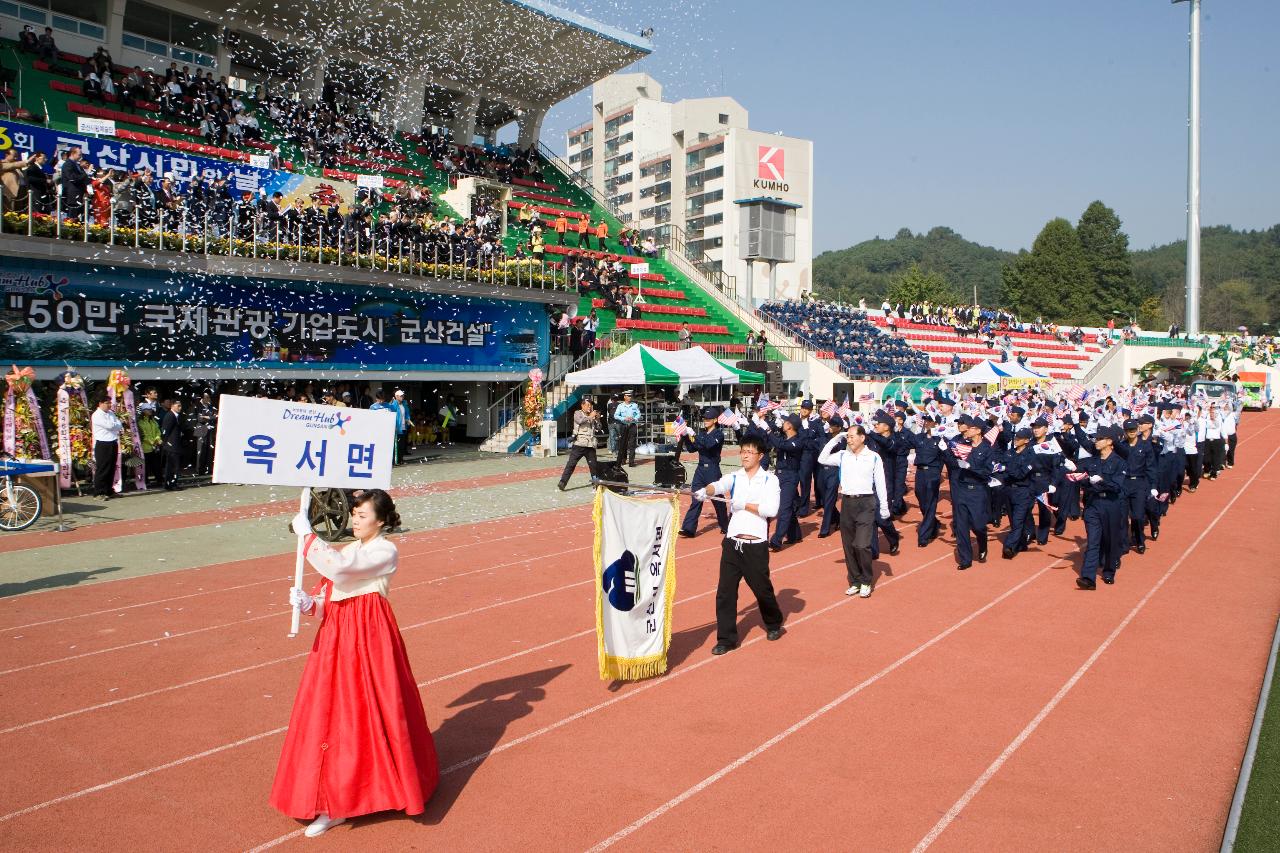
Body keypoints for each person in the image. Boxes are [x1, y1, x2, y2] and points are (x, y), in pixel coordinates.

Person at [273, 490, 439, 836]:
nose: (355, 521)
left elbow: (343, 572)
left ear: (381, 520)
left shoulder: (385, 550)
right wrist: (308, 604)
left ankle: (359, 792)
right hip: (337, 633)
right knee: (330, 711)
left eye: (363, 516)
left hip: (369, 635)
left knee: (367, 711)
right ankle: (331, 799)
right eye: (355, 515)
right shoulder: (349, 549)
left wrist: (307, 537)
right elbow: (328, 597)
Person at [694, 435, 784, 654]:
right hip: (733, 543)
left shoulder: (770, 480)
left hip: (755, 545)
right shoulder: (735, 477)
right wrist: (706, 491)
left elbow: (771, 510)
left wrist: (744, 504)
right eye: (742, 451)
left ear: (760, 456)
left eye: (749, 452)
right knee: (725, 592)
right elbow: (718, 485)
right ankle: (726, 638)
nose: (744, 455)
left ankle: (773, 622)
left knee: (762, 590)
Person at [818, 423, 891, 598]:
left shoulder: (873, 457)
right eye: (847, 437)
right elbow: (822, 458)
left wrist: (885, 506)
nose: (848, 440)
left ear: (862, 437)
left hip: (866, 502)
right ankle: (855, 580)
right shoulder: (843, 455)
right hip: (847, 503)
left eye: (851, 436)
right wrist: (835, 439)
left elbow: (880, 482)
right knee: (849, 545)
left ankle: (866, 580)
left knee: (862, 544)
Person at [1075, 426, 1128, 589]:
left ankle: (1109, 571)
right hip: (1093, 505)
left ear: (1110, 442)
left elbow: (1117, 486)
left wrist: (1101, 482)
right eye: (1096, 439)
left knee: (1110, 541)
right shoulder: (1092, 461)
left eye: (1099, 439)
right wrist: (1078, 476)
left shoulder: (1119, 463)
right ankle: (1088, 577)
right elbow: (1083, 478)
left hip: (1111, 505)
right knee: (1093, 541)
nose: (1096, 441)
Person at [677, 407, 729, 537]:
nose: (705, 421)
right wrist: (685, 436)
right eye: (704, 419)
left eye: (708, 419)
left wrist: (694, 434)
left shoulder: (718, 434)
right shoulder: (702, 434)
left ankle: (725, 525)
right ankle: (689, 528)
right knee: (696, 497)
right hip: (700, 469)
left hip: (712, 469)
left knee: (717, 500)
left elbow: (709, 445)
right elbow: (691, 449)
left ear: (715, 420)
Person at [557, 398, 600, 491]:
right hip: (579, 443)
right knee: (571, 464)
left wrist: (598, 419)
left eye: (591, 405)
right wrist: (590, 417)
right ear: (582, 405)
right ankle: (563, 482)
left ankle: (595, 484)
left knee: (593, 466)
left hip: (590, 444)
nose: (589, 407)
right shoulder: (578, 413)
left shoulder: (592, 415)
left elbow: (598, 428)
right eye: (588, 405)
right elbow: (580, 421)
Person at [90, 397, 123, 499]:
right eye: (106, 403)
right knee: (103, 468)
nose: (109, 405)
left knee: (111, 468)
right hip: (103, 444)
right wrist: (115, 425)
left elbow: (119, 424)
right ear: (100, 403)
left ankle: (108, 490)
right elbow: (110, 426)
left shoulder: (110, 413)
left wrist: (115, 425)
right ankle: (99, 492)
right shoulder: (97, 415)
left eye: (110, 403)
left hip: (113, 442)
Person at [160, 399, 184, 490]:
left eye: (180, 406)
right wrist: (167, 443)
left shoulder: (176, 416)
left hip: (175, 444)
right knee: (173, 466)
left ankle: (171, 484)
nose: (180, 408)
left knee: (174, 466)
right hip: (171, 445)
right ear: (172, 406)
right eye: (178, 406)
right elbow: (165, 431)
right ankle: (171, 484)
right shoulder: (170, 416)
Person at [613, 390, 640, 467]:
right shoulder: (620, 406)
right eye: (628, 396)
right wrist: (624, 418)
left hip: (632, 425)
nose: (629, 397)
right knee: (623, 443)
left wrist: (634, 418)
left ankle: (631, 461)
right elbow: (616, 415)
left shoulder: (634, 405)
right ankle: (623, 459)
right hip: (623, 425)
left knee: (632, 444)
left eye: (630, 396)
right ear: (624, 397)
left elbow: (638, 414)